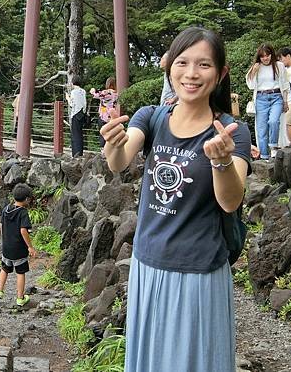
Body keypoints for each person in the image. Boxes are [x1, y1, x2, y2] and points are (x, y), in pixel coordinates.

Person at [100, 27, 251, 372]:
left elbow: (231, 201)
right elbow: (119, 161)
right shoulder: (151, 117)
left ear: (221, 73)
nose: (192, 73)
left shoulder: (232, 132)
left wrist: (222, 161)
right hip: (147, 263)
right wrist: (113, 140)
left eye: (204, 65)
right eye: (182, 62)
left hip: (199, 271)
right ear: (169, 68)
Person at [0, 183, 36, 307]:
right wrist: (30, 246)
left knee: (4, 269)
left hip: (7, 247)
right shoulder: (23, 212)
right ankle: (20, 298)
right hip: (19, 249)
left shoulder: (6, 209)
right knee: (20, 273)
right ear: (27, 199)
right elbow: (23, 230)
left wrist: (5, 239)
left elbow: (1, 226)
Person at [245, 44, 289, 160]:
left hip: (276, 96)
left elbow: (285, 85)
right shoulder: (256, 67)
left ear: (271, 54)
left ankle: (274, 147)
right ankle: (264, 156)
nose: (265, 58)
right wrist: (253, 72)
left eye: (267, 55)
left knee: (274, 121)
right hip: (261, 98)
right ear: (259, 57)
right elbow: (251, 85)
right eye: (262, 56)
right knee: (262, 129)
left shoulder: (279, 65)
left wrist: (285, 101)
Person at [90, 77, 118, 148]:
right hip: (112, 117)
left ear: (108, 84)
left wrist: (93, 91)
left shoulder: (106, 92)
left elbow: (96, 95)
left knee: (102, 134)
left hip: (104, 117)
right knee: (111, 135)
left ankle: (103, 152)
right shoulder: (116, 94)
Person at [65, 74, 87, 157]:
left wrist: (68, 98)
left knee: (75, 135)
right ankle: (80, 152)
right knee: (80, 134)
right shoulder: (83, 91)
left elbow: (71, 104)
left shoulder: (74, 92)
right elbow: (84, 104)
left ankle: (75, 154)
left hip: (75, 114)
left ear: (73, 83)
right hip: (81, 114)